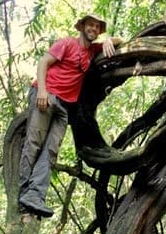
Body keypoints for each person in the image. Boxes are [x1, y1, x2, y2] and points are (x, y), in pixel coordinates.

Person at [19, 13, 122, 218]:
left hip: (64, 107)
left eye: (97, 27)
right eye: (90, 25)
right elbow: (43, 63)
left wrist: (110, 40)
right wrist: (41, 91)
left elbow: (121, 41)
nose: (93, 29)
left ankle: (35, 196)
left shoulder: (93, 50)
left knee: (50, 151)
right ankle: (22, 196)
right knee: (34, 143)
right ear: (82, 26)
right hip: (47, 97)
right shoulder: (66, 44)